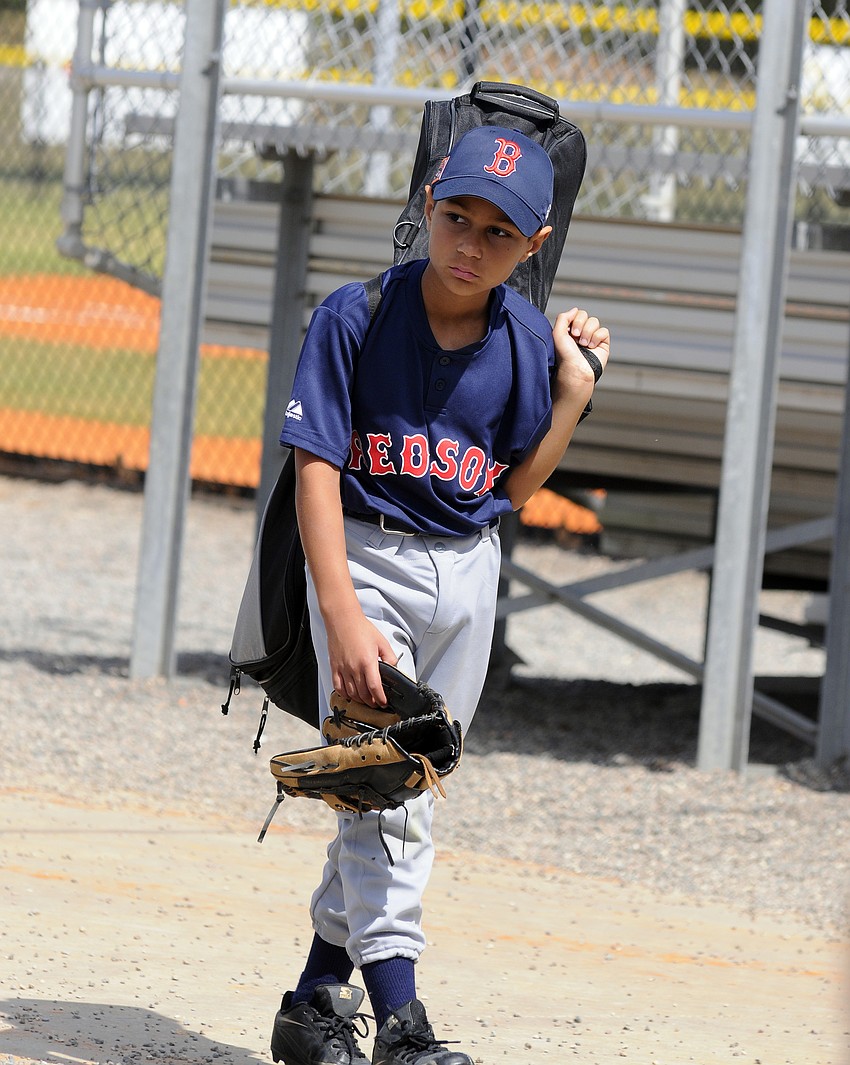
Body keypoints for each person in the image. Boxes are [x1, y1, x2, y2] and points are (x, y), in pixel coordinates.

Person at [270, 124, 610, 1065]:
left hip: (467, 568)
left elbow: (512, 489)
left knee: (391, 787)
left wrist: (572, 394)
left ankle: (310, 1003)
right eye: (457, 216)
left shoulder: (523, 339)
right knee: (397, 798)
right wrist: (339, 610)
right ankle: (403, 1027)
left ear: (532, 247)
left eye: (499, 233)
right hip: (367, 556)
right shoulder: (356, 315)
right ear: (428, 203)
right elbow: (313, 474)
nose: (470, 244)